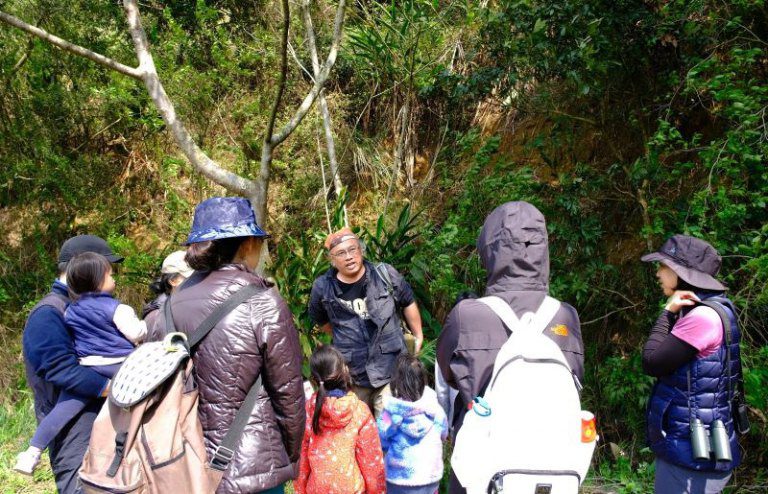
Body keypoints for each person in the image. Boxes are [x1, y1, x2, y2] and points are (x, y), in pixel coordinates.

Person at [147, 196, 305, 494]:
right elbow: (288, 394)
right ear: (247, 244)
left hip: (184, 464)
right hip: (255, 466)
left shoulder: (167, 307)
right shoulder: (263, 302)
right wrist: (290, 456)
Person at [436, 201, 585, 494]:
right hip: (551, 466)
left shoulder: (467, 315)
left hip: (484, 466)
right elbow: (576, 378)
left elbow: (448, 373)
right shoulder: (565, 316)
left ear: (489, 251)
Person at [15, 252, 146, 475]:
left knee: (62, 411)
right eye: (110, 273)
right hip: (117, 368)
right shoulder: (115, 308)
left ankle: (32, 452)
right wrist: (146, 326)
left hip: (88, 369)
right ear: (97, 278)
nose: (114, 278)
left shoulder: (70, 309)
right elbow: (135, 333)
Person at [20, 234, 123, 493]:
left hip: (100, 419)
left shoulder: (86, 304)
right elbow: (59, 369)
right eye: (107, 268)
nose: (112, 275)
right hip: (71, 427)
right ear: (84, 265)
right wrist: (110, 387)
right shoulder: (48, 312)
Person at [641, 235, 743, 493]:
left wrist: (667, 312)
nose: (658, 273)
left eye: (663, 266)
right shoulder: (716, 308)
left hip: (691, 456)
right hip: (695, 446)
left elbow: (652, 362)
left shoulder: (702, 318)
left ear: (681, 272)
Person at [308, 227, 424, 417]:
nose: (349, 257)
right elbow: (320, 319)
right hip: (352, 377)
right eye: (341, 253)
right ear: (332, 260)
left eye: (352, 249)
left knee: (390, 427)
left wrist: (418, 335)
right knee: (357, 430)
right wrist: (343, 336)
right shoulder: (322, 287)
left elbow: (407, 300)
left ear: (360, 250)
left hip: (390, 370)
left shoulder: (384, 274)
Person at [295, 345, 386, 494]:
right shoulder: (359, 411)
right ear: (344, 371)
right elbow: (371, 461)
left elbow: (301, 458)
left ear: (314, 380)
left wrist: (300, 490)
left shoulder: (309, 410)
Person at [378, 353, 448, 494]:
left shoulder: (390, 412)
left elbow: (381, 441)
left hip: (399, 480)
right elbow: (443, 434)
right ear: (422, 380)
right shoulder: (435, 409)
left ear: (397, 381)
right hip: (430, 477)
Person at [141, 250, 194, 328]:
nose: (197, 281)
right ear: (173, 281)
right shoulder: (156, 316)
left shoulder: (189, 302)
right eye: (191, 278)